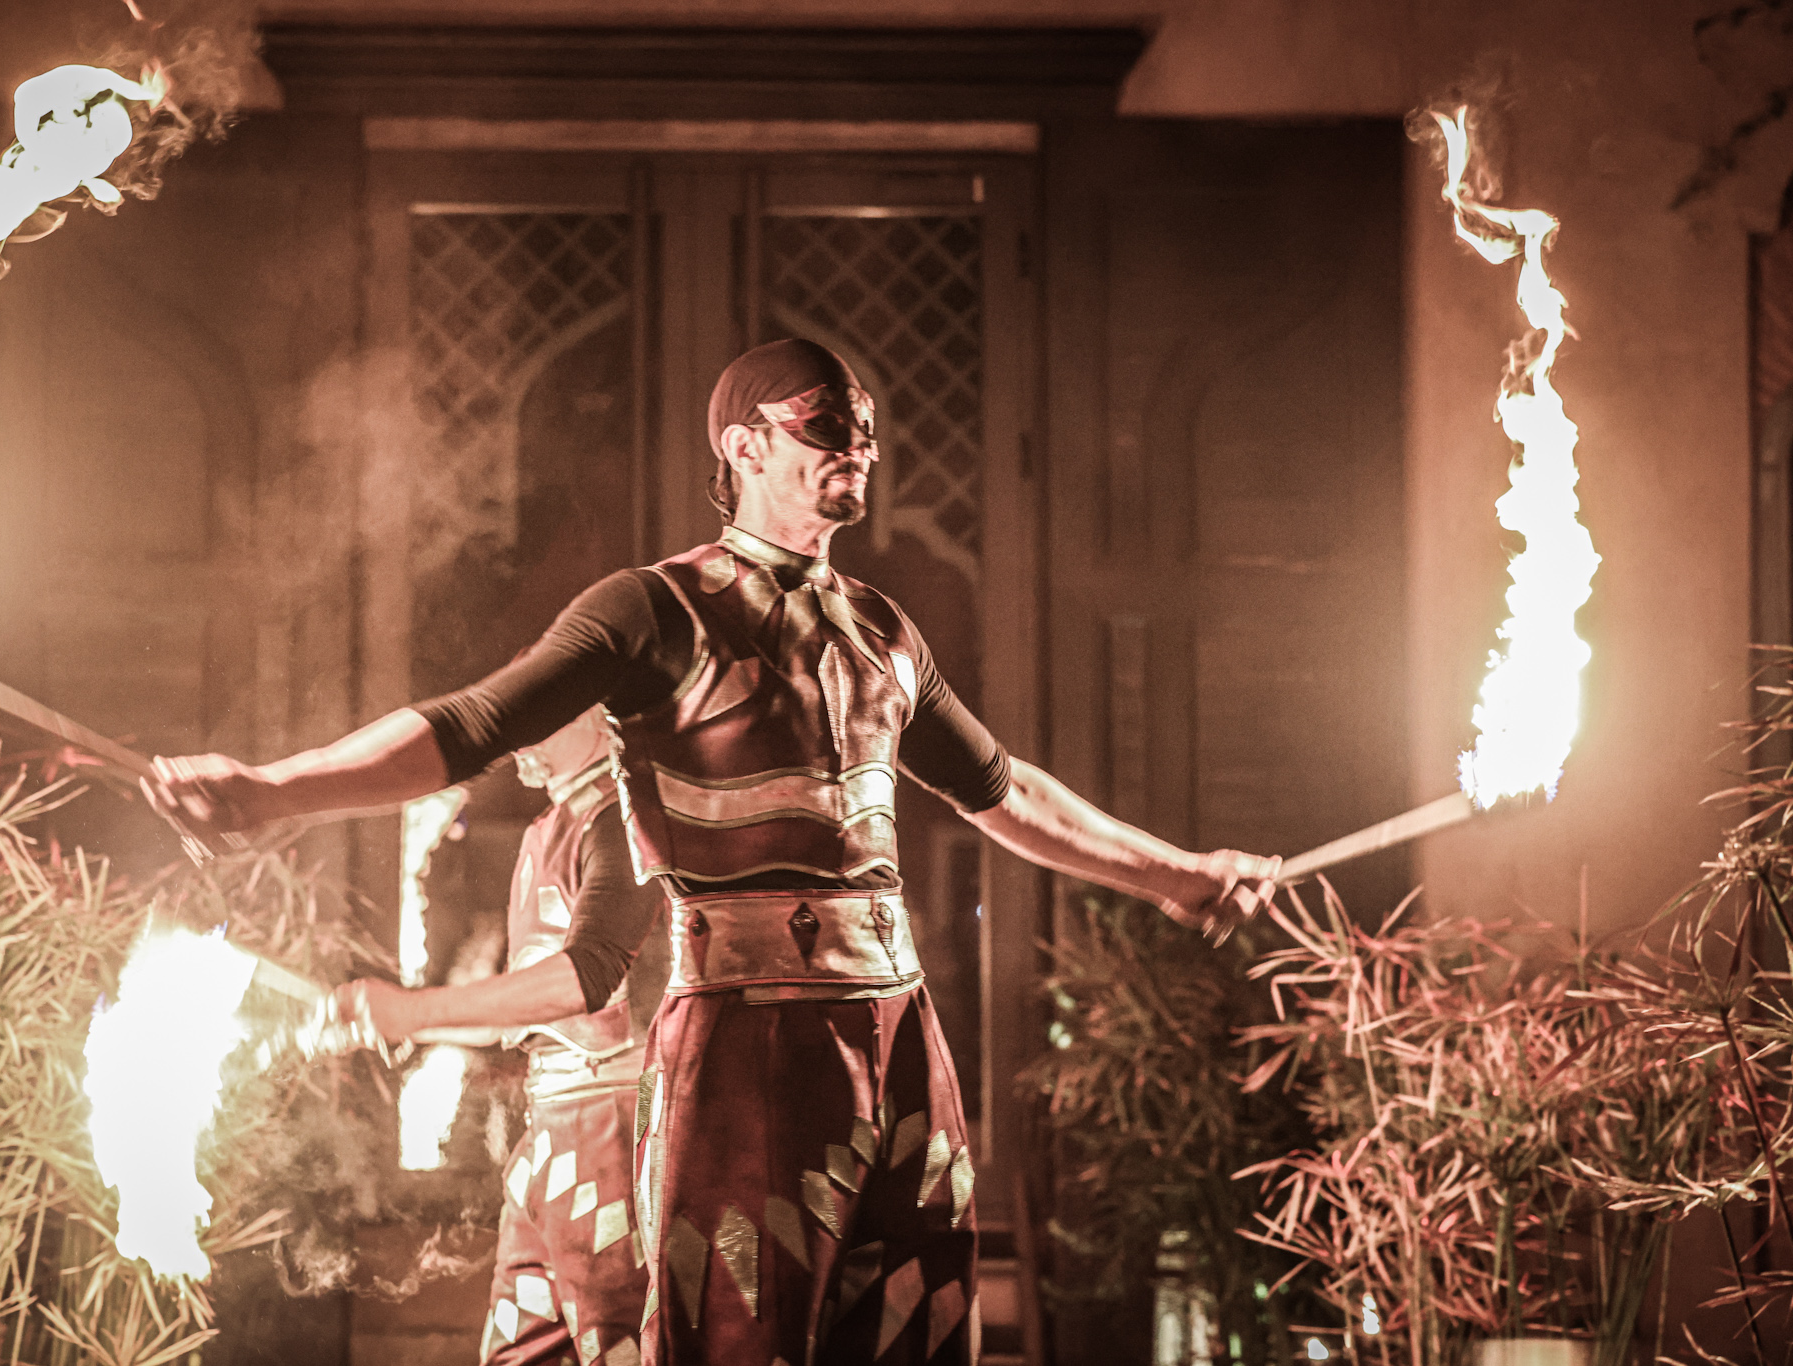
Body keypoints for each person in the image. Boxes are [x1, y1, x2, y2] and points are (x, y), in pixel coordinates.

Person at [146, 338, 1280, 1366]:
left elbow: (1003, 789)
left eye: (868, 429)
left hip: (895, 1030)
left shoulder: (883, 634)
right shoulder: (652, 611)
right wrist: (270, 791)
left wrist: (1176, 878)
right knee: (743, 1339)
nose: (860, 448)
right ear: (742, 446)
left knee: (913, 1329)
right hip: (750, 1036)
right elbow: (467, 724)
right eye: (826, 424)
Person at [374, 706, 666, 1366]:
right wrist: (399, 1017)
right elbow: (528, 1008)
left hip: (613, 1125)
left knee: (616, 1341)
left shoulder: (628, 817)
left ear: (601, 716)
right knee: (521, 1350)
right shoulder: (545, 830)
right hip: (550, 1129)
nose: (519, 742)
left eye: (545, 713)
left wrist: (416, 1011)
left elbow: (580, 981)